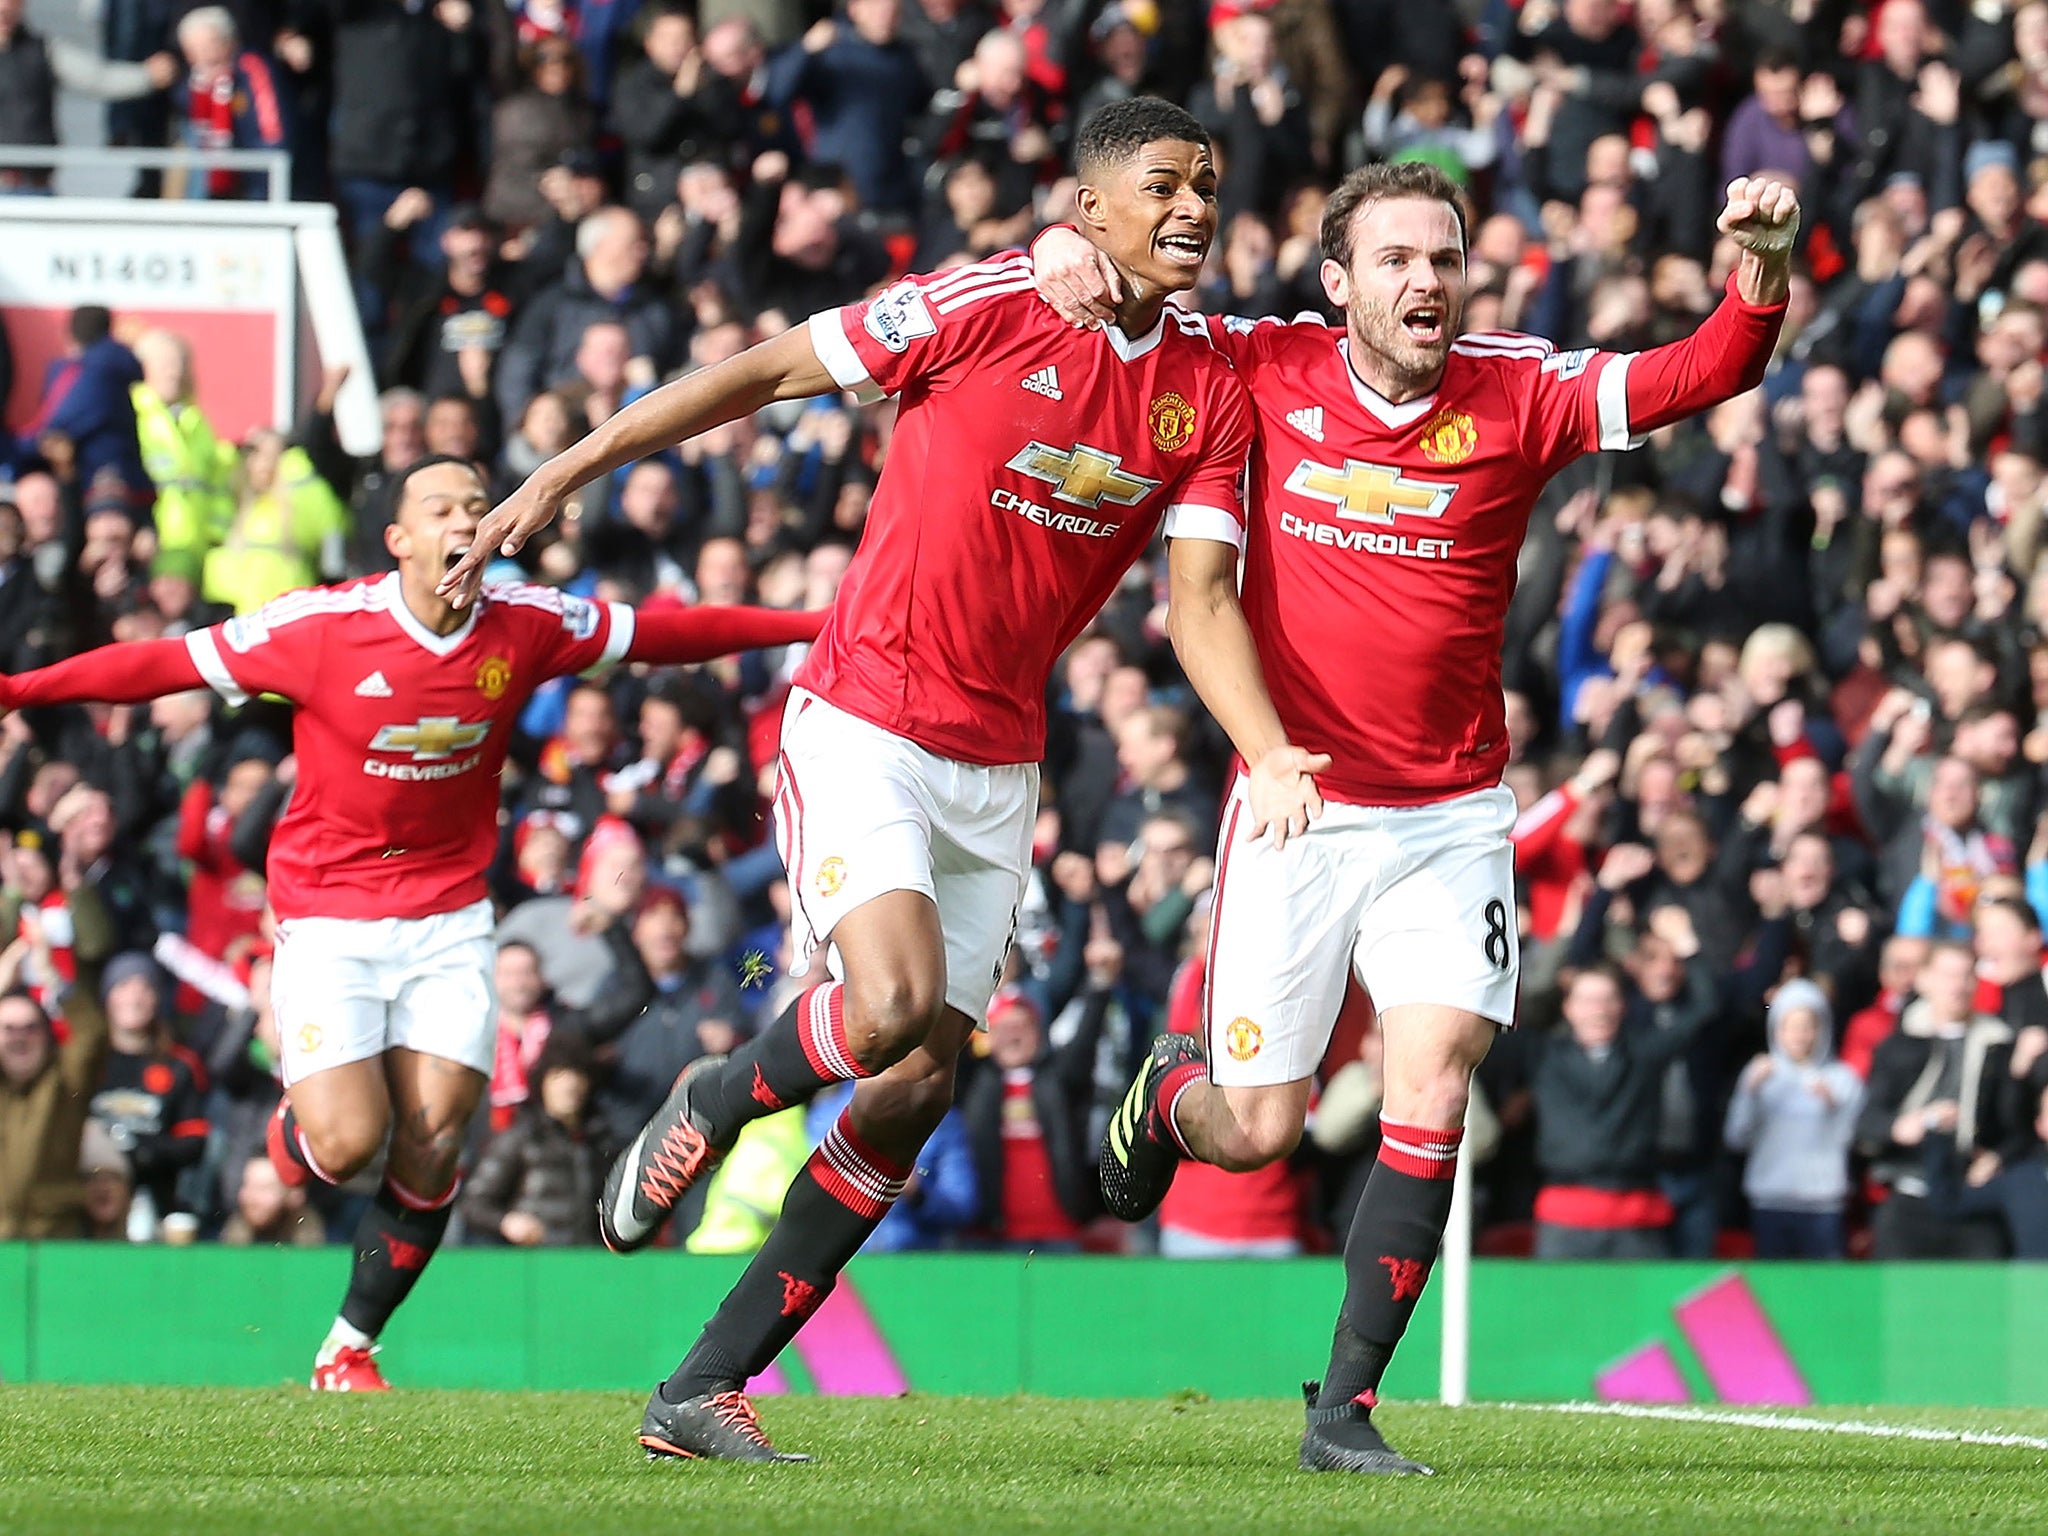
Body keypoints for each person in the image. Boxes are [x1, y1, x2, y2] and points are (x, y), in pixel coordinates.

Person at [439, 97, 1267, 1462]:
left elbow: (1200, 594)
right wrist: (573, 469)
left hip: (1000, 763)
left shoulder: (1209, 385)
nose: (1194, 209)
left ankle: (698, 1389)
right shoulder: (987, 298)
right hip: (865, 718)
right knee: (880, 1009)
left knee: (918, 1085)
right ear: (1093, 206)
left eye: (1210, 187)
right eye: (1166, 185)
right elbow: (764, 373)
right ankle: (717, 1094)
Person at [1033, 163, 1800, 1473]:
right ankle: (1171, 1098)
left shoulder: (1522, 390)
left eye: (1442, 258)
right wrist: (1064, 243)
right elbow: (1120, 293)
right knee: (1260, 1129)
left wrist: (1765, 270)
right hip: (1298, 805)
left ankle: (1342, 1413)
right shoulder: (1258, 362)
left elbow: (1699, 372)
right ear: (1339, 284)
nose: (1425, 282)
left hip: (1451, 813)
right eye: (1394, 260)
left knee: (1432, 1081)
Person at [0, 454, 823, 1388]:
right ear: (399, 541)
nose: (464, 520)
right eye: (441, 507)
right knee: (347, 1145)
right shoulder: (320, 628)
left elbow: (673, 633)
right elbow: (162, 662)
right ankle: (298, 1126)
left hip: (450, 916)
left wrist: (814, 623)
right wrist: (21, 690)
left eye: (478, 504)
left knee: (435, 1142)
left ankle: (349, 1348)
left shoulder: (531, 621)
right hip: (329, 914)